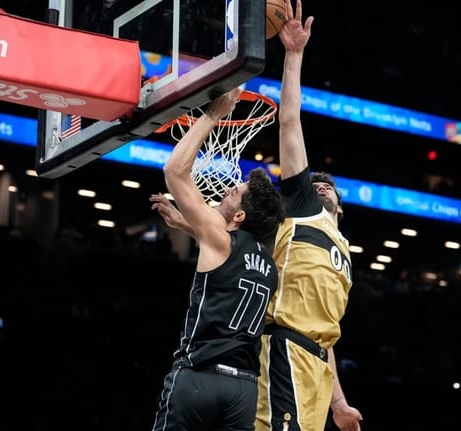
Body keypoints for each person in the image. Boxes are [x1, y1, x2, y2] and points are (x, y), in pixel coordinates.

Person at [148, 87, 284, 431]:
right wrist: (188, 225)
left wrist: (213, 116)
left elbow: (175, 171)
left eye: (234, 193)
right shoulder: (269, 266)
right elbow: (228, 258)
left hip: (199, 379)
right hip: (243, 389)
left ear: (239, 218)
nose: (226, 189)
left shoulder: (221, 238)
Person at [254, 1, 363, 430]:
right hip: (284, 348)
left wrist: (339, 403)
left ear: (341, 204)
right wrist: (293, 57)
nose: (319, 186)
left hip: (317, 365)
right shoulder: (302, 206)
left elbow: (327, 332)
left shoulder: (345, 253)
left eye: (327, 186)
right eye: (314, 183)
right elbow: (289, 124)